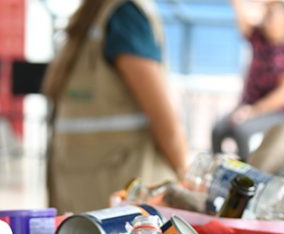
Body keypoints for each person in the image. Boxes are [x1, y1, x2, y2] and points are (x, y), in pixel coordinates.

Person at [44, 0, 188, 213]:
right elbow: (166, 123)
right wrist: (188, 177)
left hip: (80, 190)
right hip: (122, 196)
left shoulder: (95, 14)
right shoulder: (126, 14)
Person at [210, 0, 284, 160]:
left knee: (241, 131)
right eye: (267, 15)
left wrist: (253, 111)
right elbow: (242, 17)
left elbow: (283, 96)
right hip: (246, 106)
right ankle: (218, 170)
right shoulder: (259, 39)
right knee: (218, 129)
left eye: (273, 16)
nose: (268, 20)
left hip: (272, 111)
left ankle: (247, 175)